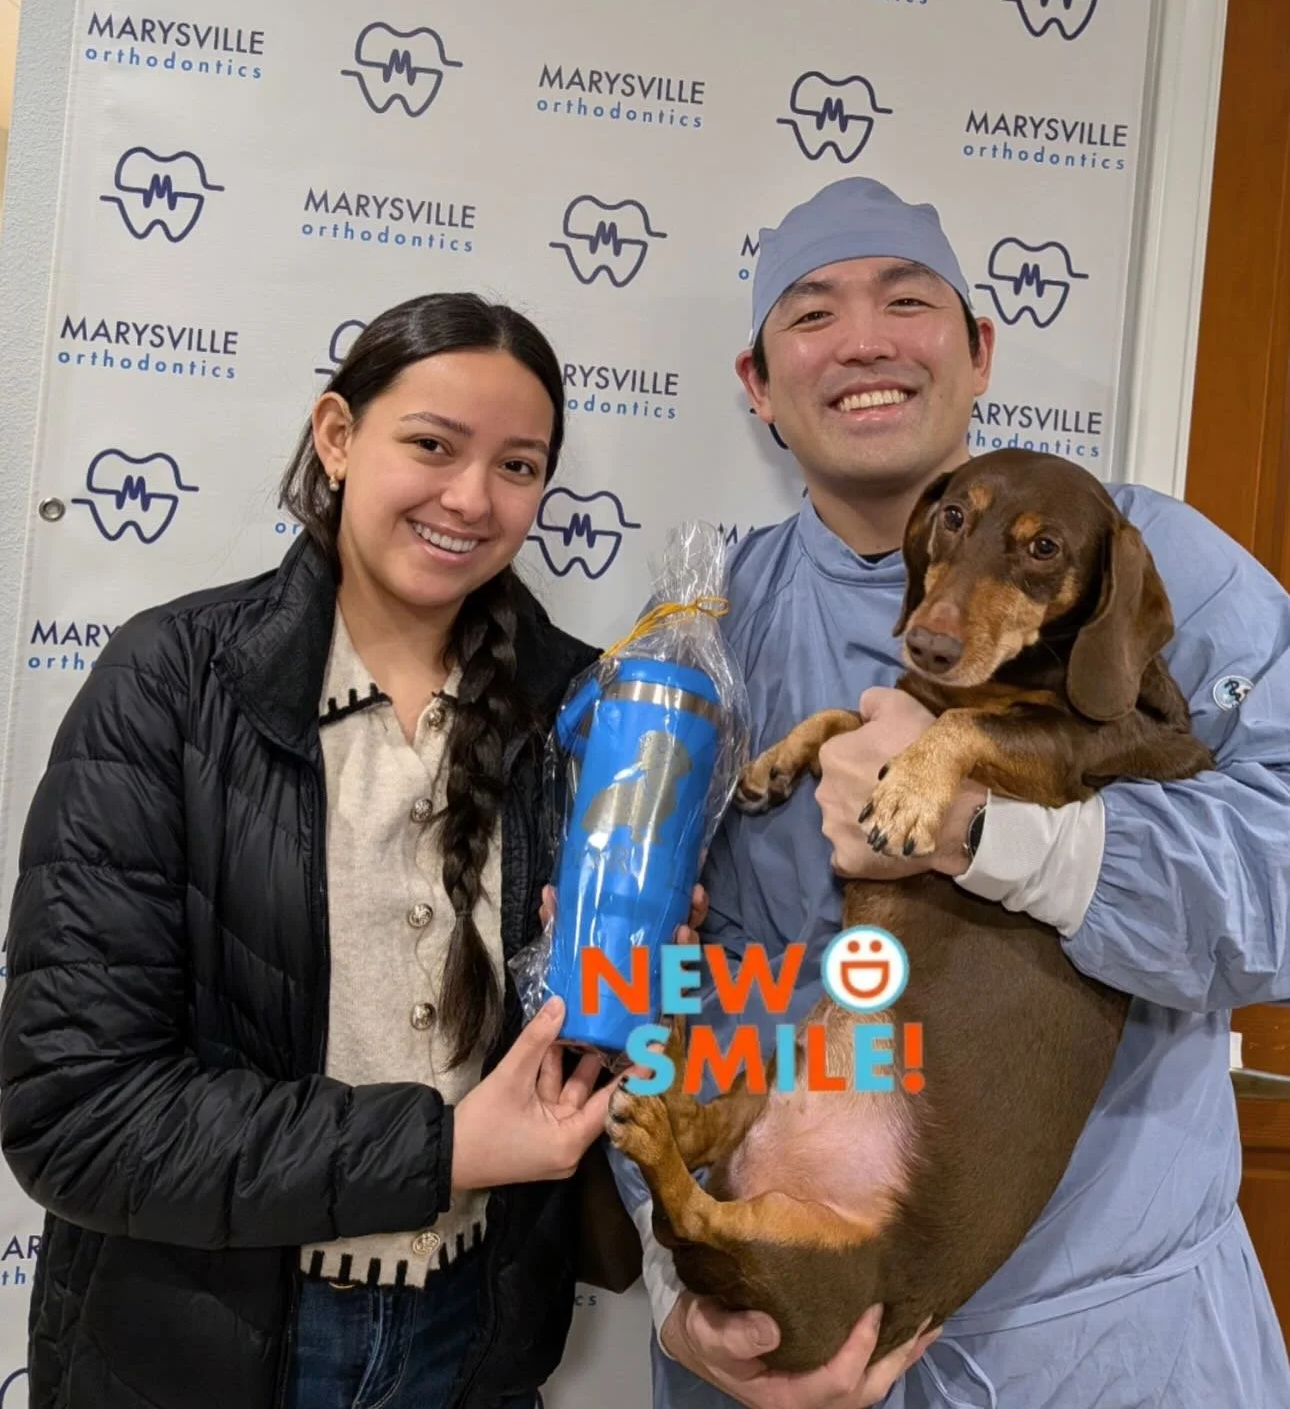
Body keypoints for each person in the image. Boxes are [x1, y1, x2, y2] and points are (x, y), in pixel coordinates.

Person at [611, 177, 1290, 1408]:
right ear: (758, 384)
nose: (864, 338)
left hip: (1106, 1353)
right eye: (811, 314)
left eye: (906, 300)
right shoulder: (698, 634)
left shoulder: (1153, 571)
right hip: (782, 1329)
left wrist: (996, 836)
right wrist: (684, 1292)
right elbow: (628, 969)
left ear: (979, 350)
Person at [0, 292, 630, 1409]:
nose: (472, 498)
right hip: (197, 1350)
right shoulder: (172, 684)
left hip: (474, 1342)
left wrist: (632, 985)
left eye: (520, 466)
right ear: (338, 436)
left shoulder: (582, 711)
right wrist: (439, 1150)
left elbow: (595, 1059)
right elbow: (76, 1112)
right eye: (431, 445)